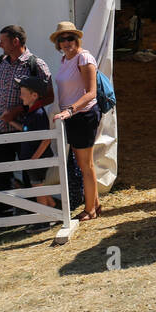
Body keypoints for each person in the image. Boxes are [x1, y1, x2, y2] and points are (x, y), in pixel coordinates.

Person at [0, 25, 52, 194]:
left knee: (29, 174)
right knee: (1, 174)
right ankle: (4, 213)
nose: (0, 45)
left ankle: (31, 213)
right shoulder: (0, 62)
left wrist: (18, 110)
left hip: (24, 131)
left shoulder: (36, 64)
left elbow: (49, 97)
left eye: (2, 41)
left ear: (15, 42)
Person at [49, 21, 102, 221]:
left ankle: (90, 211)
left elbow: (91, 93)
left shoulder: (84, 58)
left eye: (70, 38)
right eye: (62, 39)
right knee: (85, 163)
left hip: (83, 115)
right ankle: (95, 204)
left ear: (76, 39)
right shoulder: (65, 60)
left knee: (85, 164)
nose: (66, 42)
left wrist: (70, 110)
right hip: (71, 116)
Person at [16, 77, 57, 212]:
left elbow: (46, 140)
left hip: (36, 159)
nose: (20, 96)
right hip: (32, 159)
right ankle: (51, 207)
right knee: (39, 186)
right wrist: (11, 122)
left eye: (23, 93)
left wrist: (34, 160)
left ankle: (43, 220)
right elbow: (27, 130)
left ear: (34, 95)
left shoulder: (38, 114)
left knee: (37, 187)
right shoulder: (32, 112)